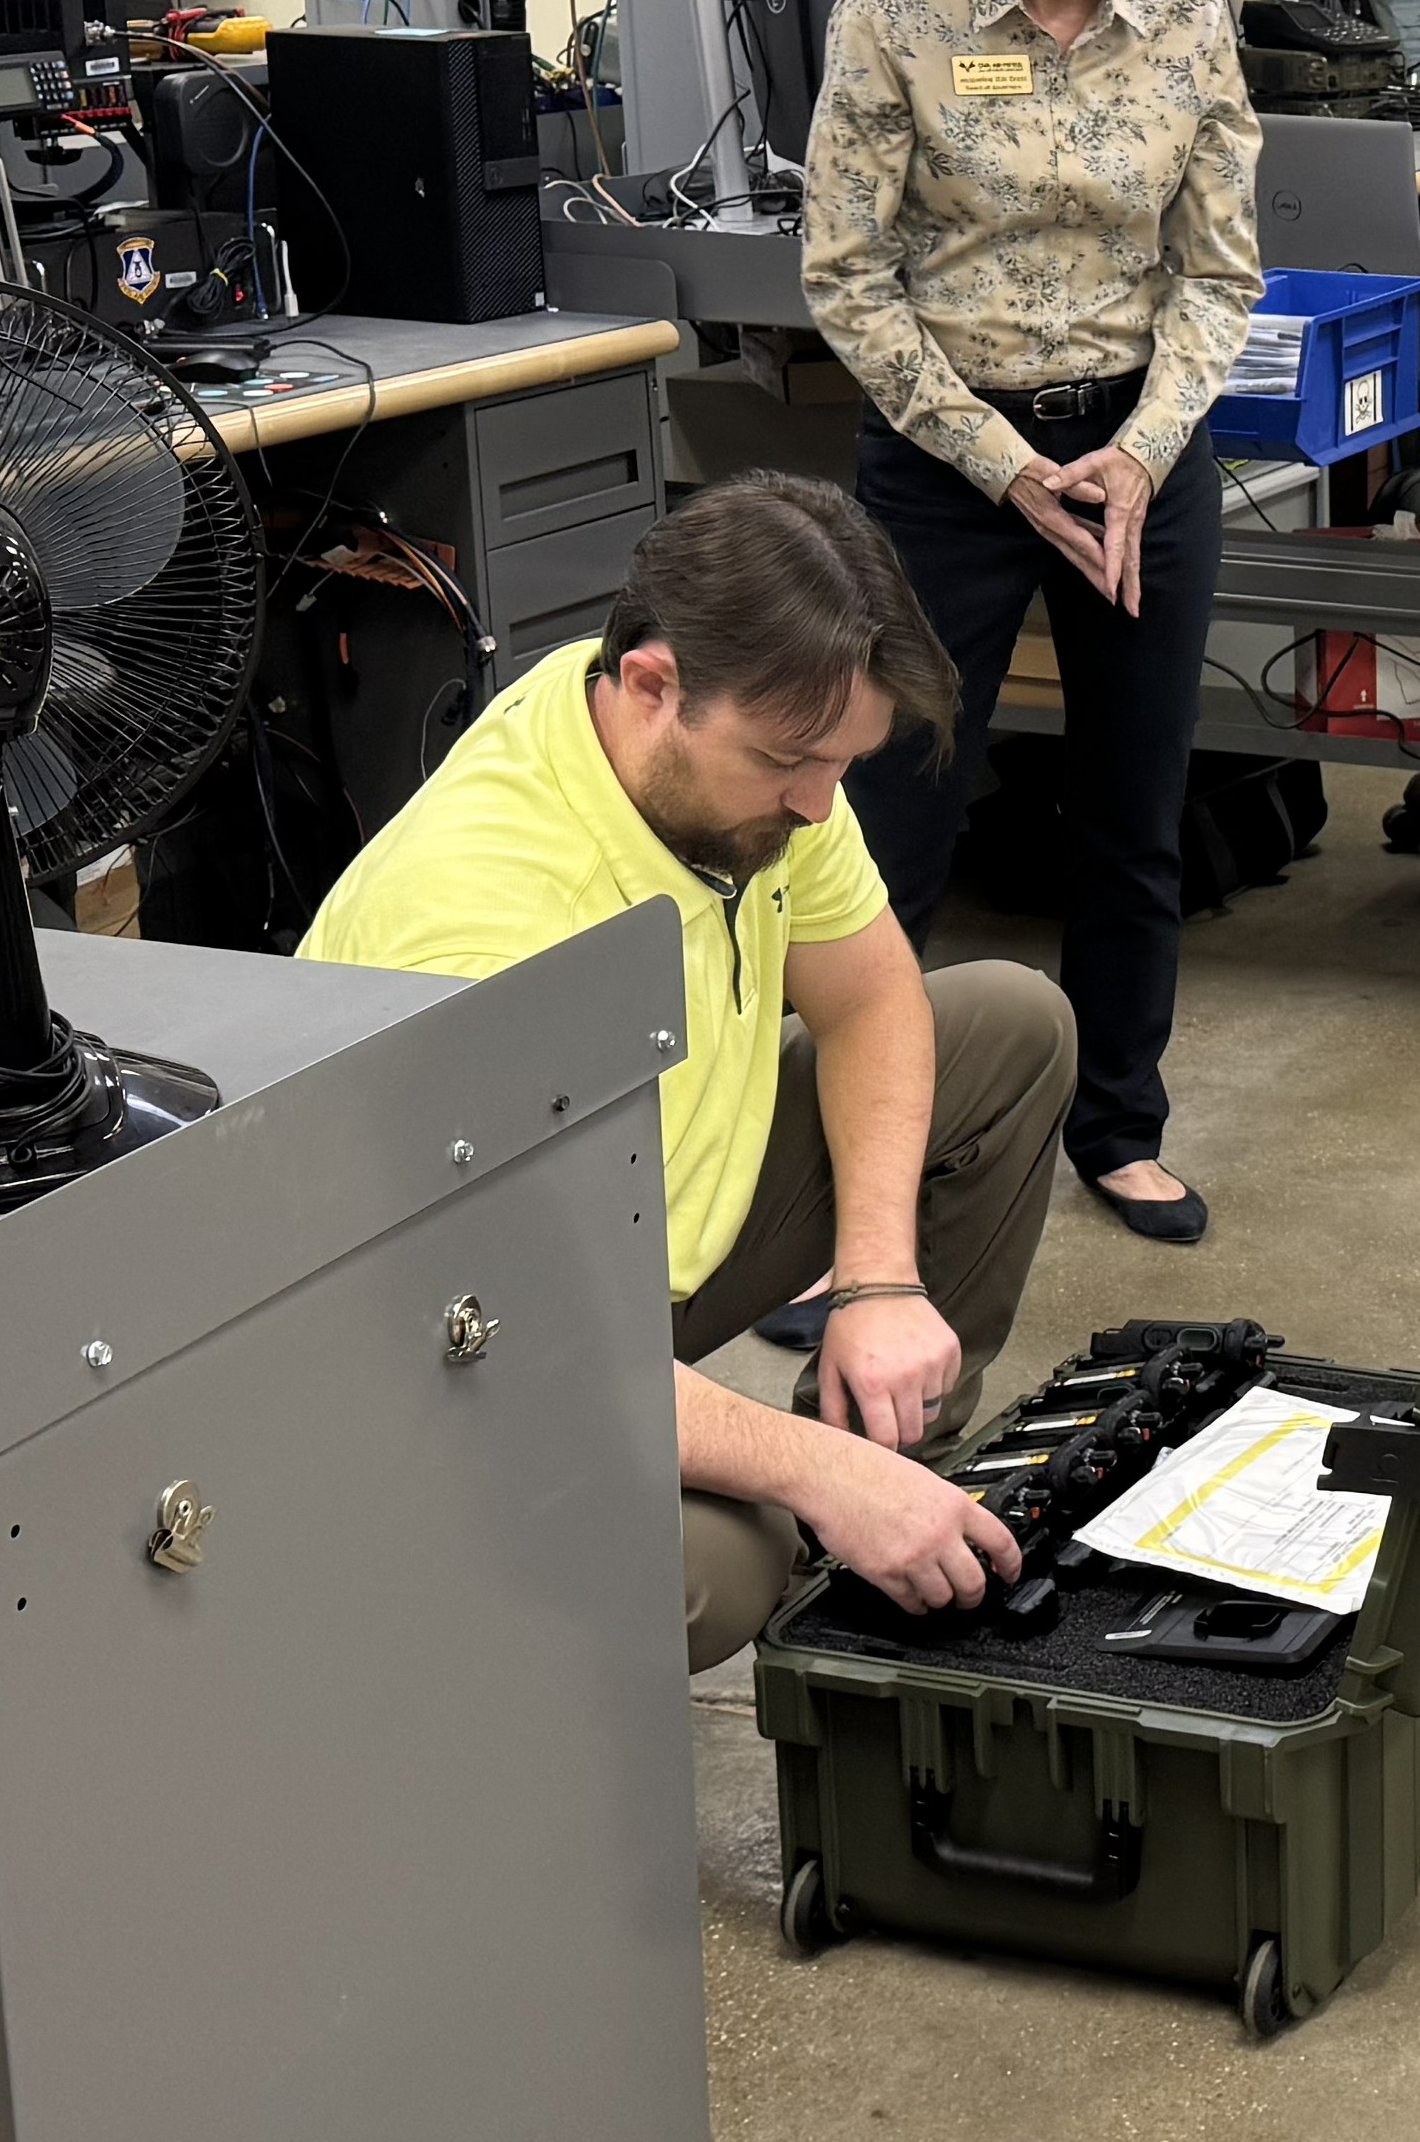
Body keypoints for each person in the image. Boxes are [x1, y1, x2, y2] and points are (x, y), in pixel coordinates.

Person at [305, 477, 1073, 1673]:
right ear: (656, 686)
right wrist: (812, 1473)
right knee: (719, 1566)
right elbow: (531, 1343)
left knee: (1011, 1029)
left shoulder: (717, 752)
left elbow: (872, 994)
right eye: (791, 764)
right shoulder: (479, 927)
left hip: (631, 1243)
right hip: (437, 1361)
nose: (821, 806)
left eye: (841, 762)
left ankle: (899, 1500)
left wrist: (874, 1282)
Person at [802, 0, 1264, 1251]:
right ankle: (866, 1188)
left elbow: (1219, 274)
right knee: (893, 824)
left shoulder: (1187, 12)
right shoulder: (897, 10)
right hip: (952, 461)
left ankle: (1117, 1126)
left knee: (1131, 813)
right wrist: (1009, 471)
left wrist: (1135, 457)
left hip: (1139, 452)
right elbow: (846, 278)